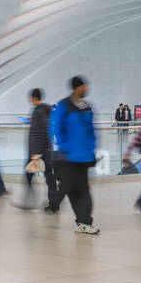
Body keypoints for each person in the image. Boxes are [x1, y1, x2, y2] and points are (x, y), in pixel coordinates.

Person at [51, 76, 99, 234]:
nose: (86, 89)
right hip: (69, 156)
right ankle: (81, 220)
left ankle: (83, 221)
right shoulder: (64, 105)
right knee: (72, 189)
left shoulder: (86, 106)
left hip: (83, 157)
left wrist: (92, 149)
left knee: (82, 190)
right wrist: (65, 145)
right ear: (78, 87)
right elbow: (56, 128)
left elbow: (90, 130)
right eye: (85, 86)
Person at [19, 88, 61, 211]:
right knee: (49, 176)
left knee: (29, 174)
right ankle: (54, 203)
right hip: (44, 149)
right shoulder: (45, 110)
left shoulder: (39, 111)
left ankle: (31, 201)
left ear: (33, 98)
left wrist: (36, 152)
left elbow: (42, 130)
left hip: (38, 151)